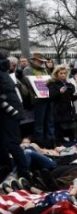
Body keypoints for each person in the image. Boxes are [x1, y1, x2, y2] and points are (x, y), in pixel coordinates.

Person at [0, 51, 30, 180]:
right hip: (11, 113)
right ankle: (12, 171)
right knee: (7, 144)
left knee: (11, 144)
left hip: (7, 114)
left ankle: (23, 173)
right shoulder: (3, 72)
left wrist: (11, 111)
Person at [24, 53, 54, 147]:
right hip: (38, 99)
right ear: (34, 60)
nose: (41, 63)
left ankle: (50, 143)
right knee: (39, 123)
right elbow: (28, 83)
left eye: (42, 61)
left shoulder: (44, 69)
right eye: (39, 61)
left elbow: (50, 81)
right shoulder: (28, 70)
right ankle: (40, 144)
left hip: (47, 97)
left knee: (49, 121)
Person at [46, 66, 77, 141]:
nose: (63, 75)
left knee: (70, 129)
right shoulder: (52, 84)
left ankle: (71, 142)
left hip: (68, 110)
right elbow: (50, 96)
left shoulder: (69, 84)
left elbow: (72, 98)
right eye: (61, 73)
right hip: (58, 110)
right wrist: (59, 92)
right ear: (56, 74)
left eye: (64, 73)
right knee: (59, 130)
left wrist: (76, 95)